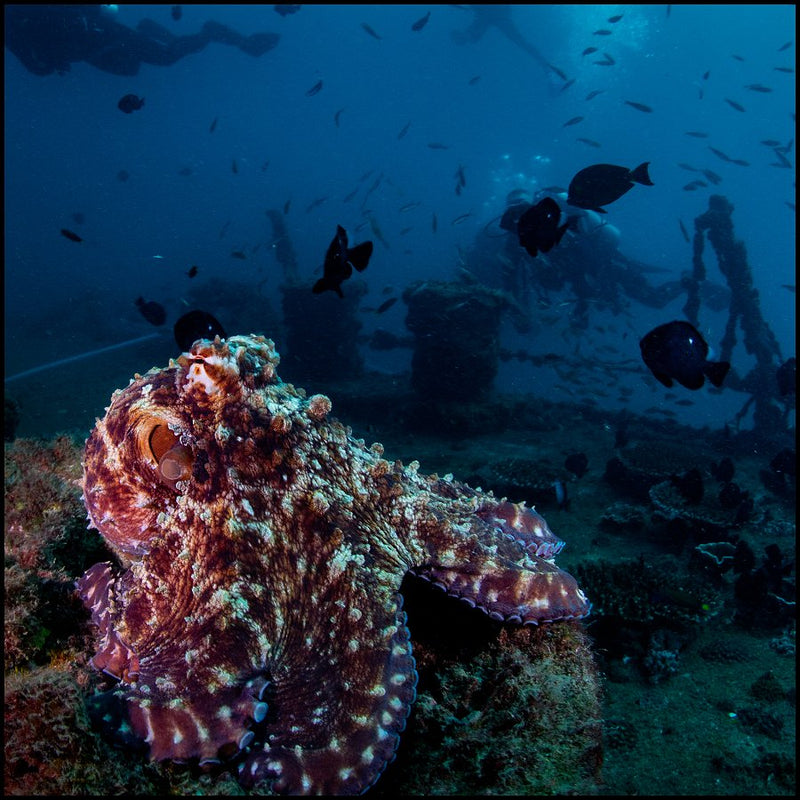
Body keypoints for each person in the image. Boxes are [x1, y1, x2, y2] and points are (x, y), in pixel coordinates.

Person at [4, 5, 279, 77]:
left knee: (165, 58)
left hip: (98, 42)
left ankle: (211, 32)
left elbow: (36, 68)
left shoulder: (10, 28)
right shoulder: (16, 17)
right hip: (98, 40)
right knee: (135, 69)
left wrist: (53, 59)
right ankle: (153, 30)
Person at [450, 5, 558, 81]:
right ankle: (546, 66)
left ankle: (546, 66)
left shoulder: (481, 22)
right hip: (494, 13)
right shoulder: (481, 22)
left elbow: (477, 25)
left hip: (492, 13)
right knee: (521, 42)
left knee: (521, 42)